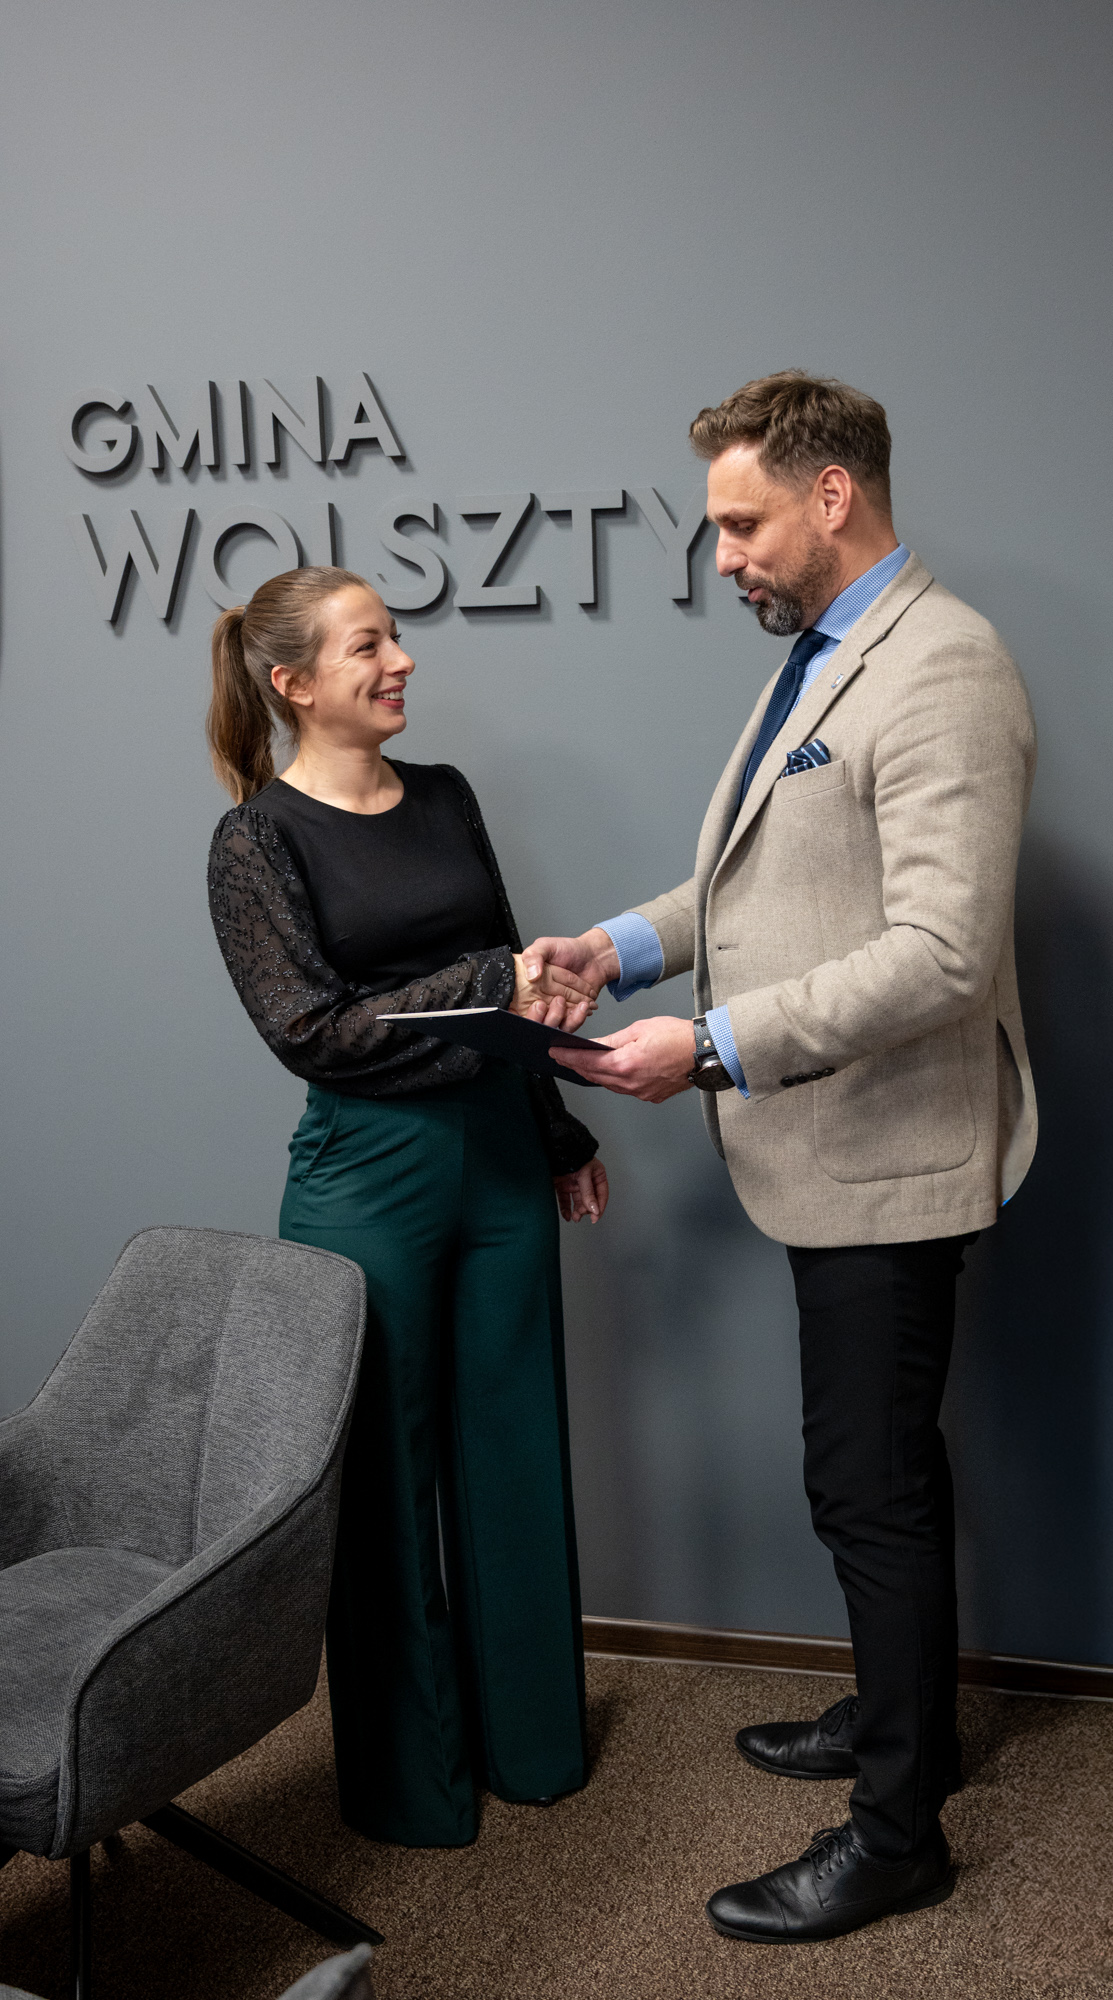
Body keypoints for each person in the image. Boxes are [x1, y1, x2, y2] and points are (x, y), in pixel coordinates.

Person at [523, 372, 1038, 1941]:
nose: (724, 555)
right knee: (869, 1475)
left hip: (890, 1153)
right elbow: (747, 885)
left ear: (831, 495)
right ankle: (902, 1728)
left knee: (867, 1488)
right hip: (834, 1147)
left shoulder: (939, 666)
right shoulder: (819, 657)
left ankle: (895, 1836)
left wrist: (710, 1044)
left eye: (741, 523)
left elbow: (941, 954)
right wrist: (614, 950)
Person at [205, 565, 607, 1849]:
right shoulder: (255, 841)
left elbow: (516, 991)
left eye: (396, 636)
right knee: (384, 1475)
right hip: (368, 1178)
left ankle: (533, 1749)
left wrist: (556, 1131)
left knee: (515, 1446)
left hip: (499, 1154)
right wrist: (489, 977)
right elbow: (314, 1030)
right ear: (294, 682)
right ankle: (410, 1787)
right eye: (369, 644)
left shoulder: (444, 795)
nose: (402, 661)